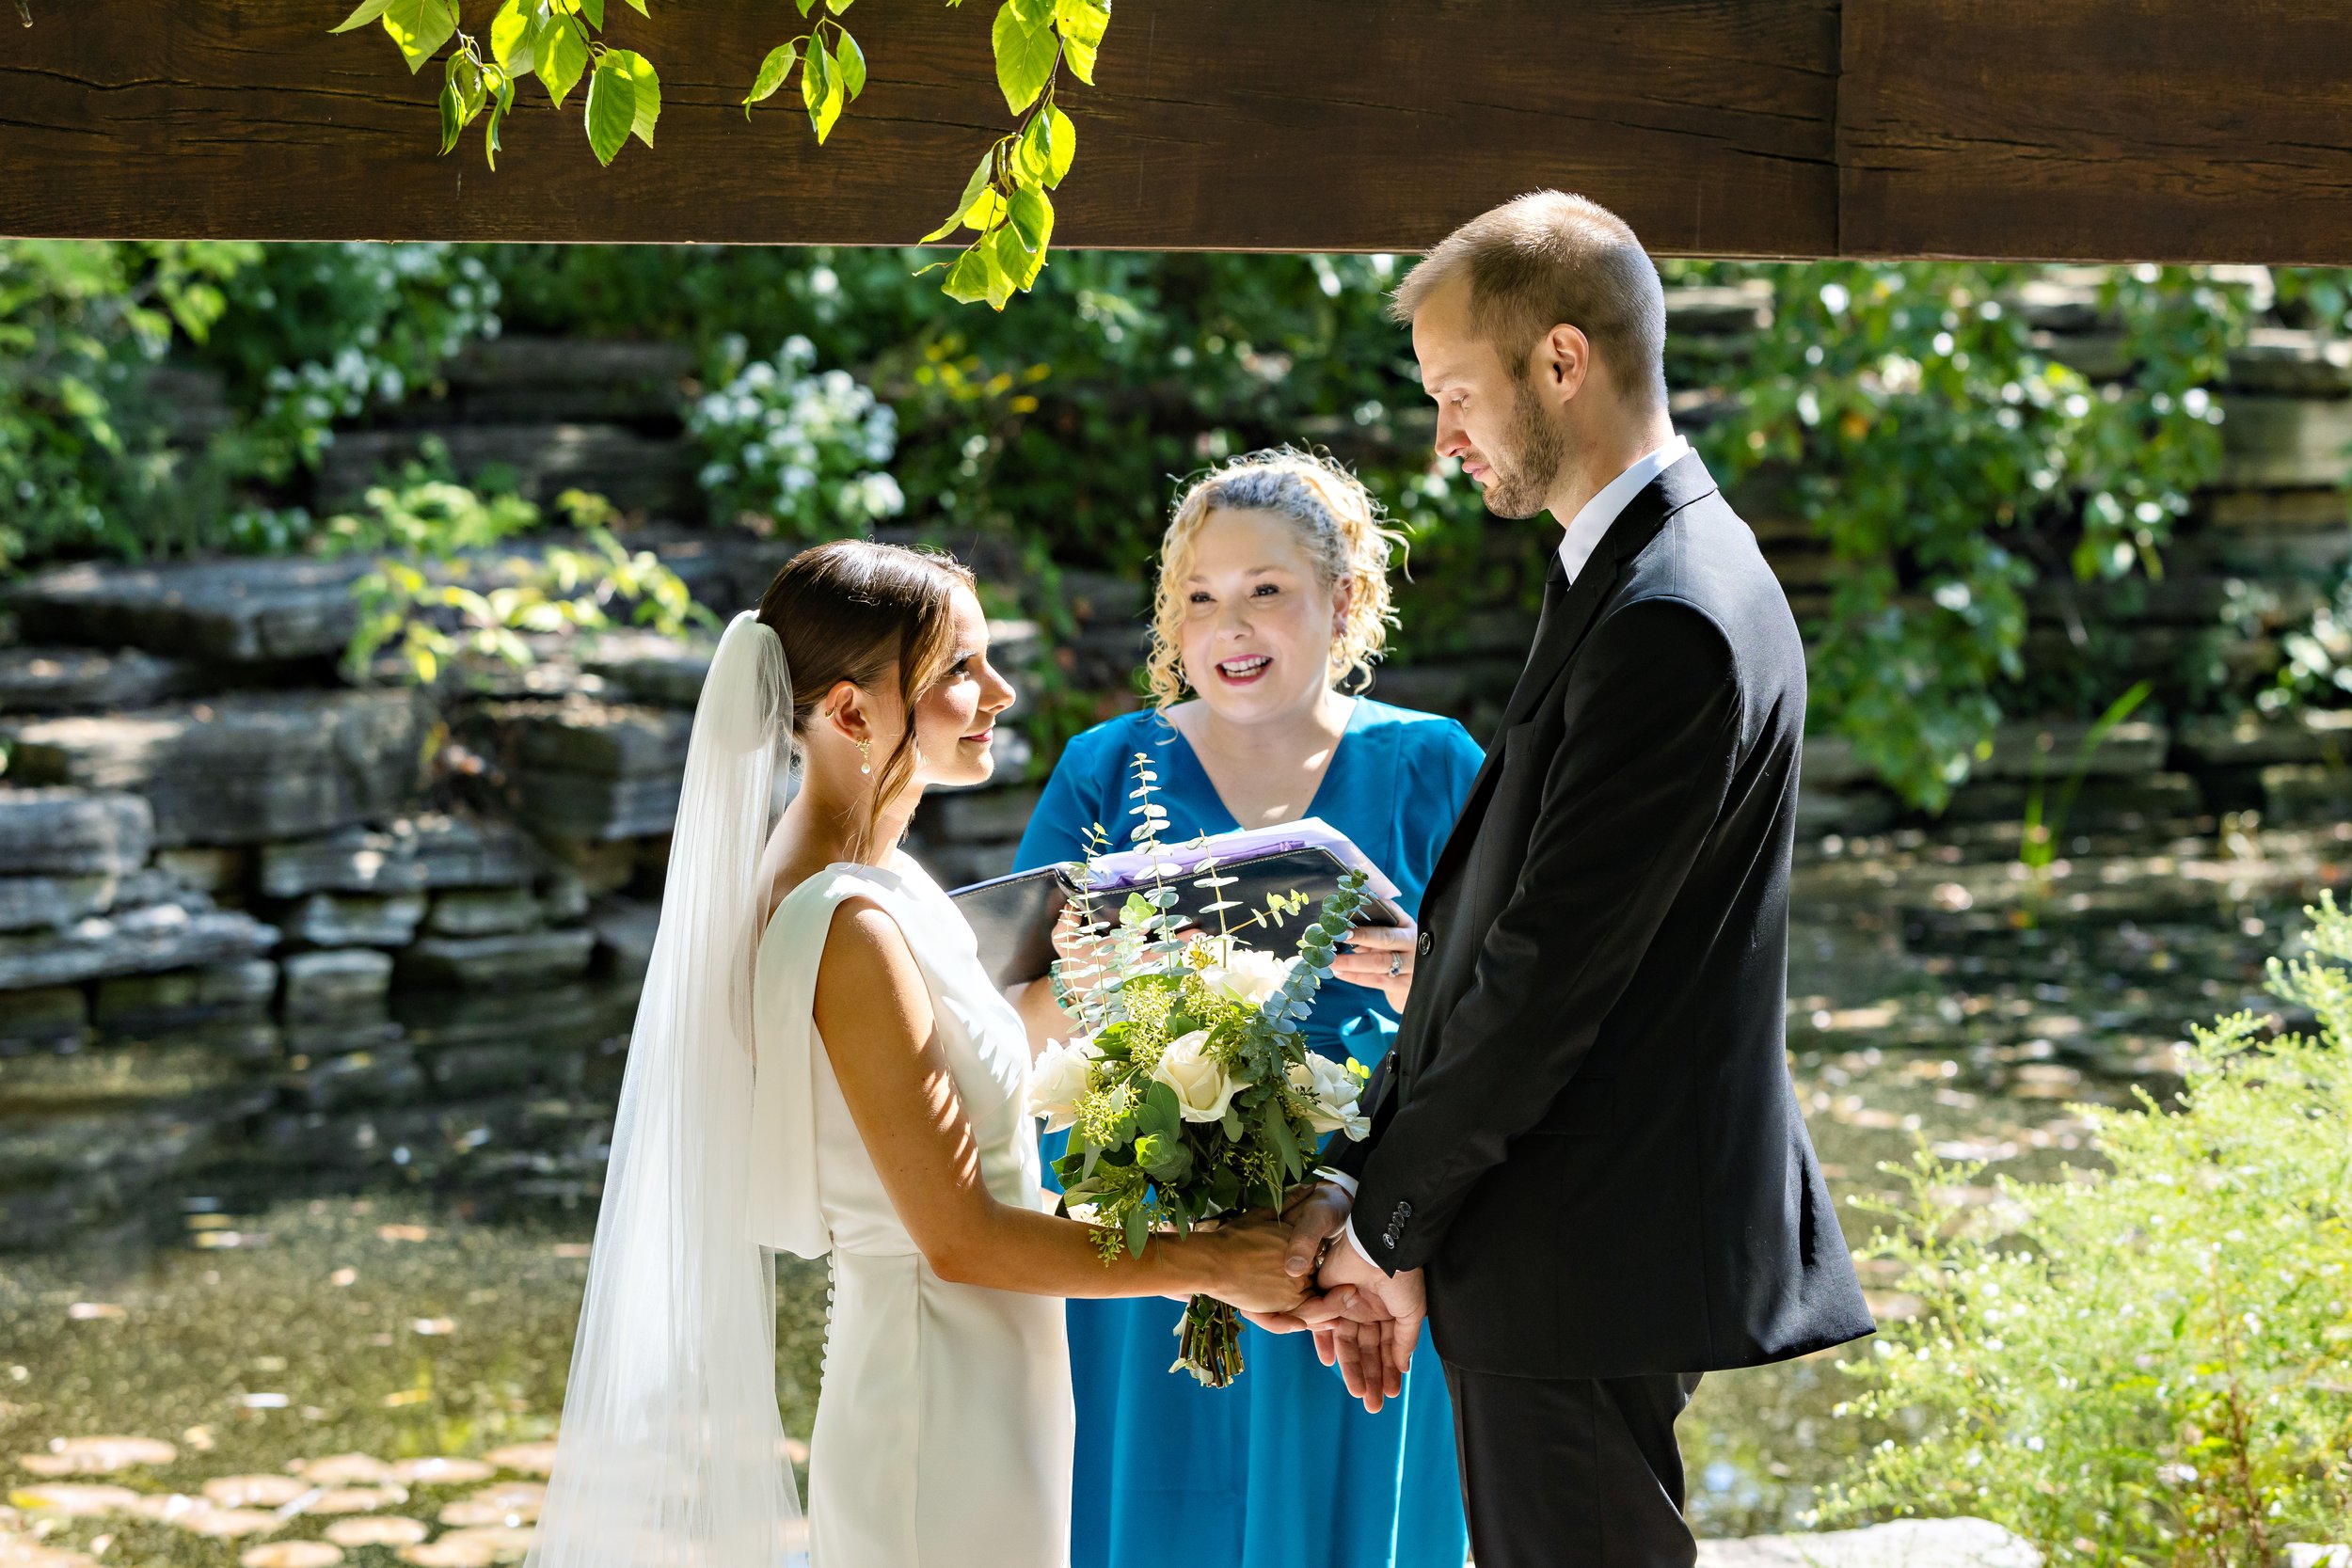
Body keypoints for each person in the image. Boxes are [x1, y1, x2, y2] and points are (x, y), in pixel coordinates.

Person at [1272, 192, 1878, 1567]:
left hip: (1577, 1250)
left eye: (1456, 393)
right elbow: (1501, 928)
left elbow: (1548, 977)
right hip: (1555, 1245)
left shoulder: (1671, 610)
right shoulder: (1634, 572)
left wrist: (1385, 1219)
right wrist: (1393, 1203)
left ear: (1560, 361)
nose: (1444, 438)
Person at [524, 540, 1311, 1568]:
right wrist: (1210, 1263)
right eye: (958, 671)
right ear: (851, 713)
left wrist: (1119, 989)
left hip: (987, 1365)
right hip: (935, 1389)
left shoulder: (881, 878)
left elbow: (964, 1087)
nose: (1000, 690)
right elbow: (959, 1234)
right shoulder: (843, 922)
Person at [1010, 451, 1484, 1568]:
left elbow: (1510, 1023)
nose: (1232, 625)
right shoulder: (1102, 767)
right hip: (1152, 1219)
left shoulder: (1436, 763)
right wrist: (1077, 987)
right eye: (1201, 597)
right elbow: (1018, 1030)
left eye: (1267, 590)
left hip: (1368, 1228)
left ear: (1346, 601)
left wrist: (1431, 977)